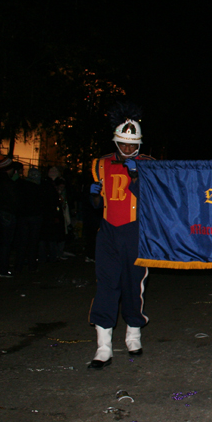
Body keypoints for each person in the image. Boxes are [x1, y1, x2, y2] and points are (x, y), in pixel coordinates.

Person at [87, 103, 154, 369]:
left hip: (136, 231)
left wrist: (138, 179)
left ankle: (133, 334)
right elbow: (98, 200)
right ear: (116, 141)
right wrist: (93, 197)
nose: (127, 149)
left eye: (131, 145)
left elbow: (156, 201)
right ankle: (103, 347)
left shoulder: (149, 164)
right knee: (106, 285)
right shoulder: (100, 163)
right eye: (123, 144)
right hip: (108, 231)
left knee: (133, 284)